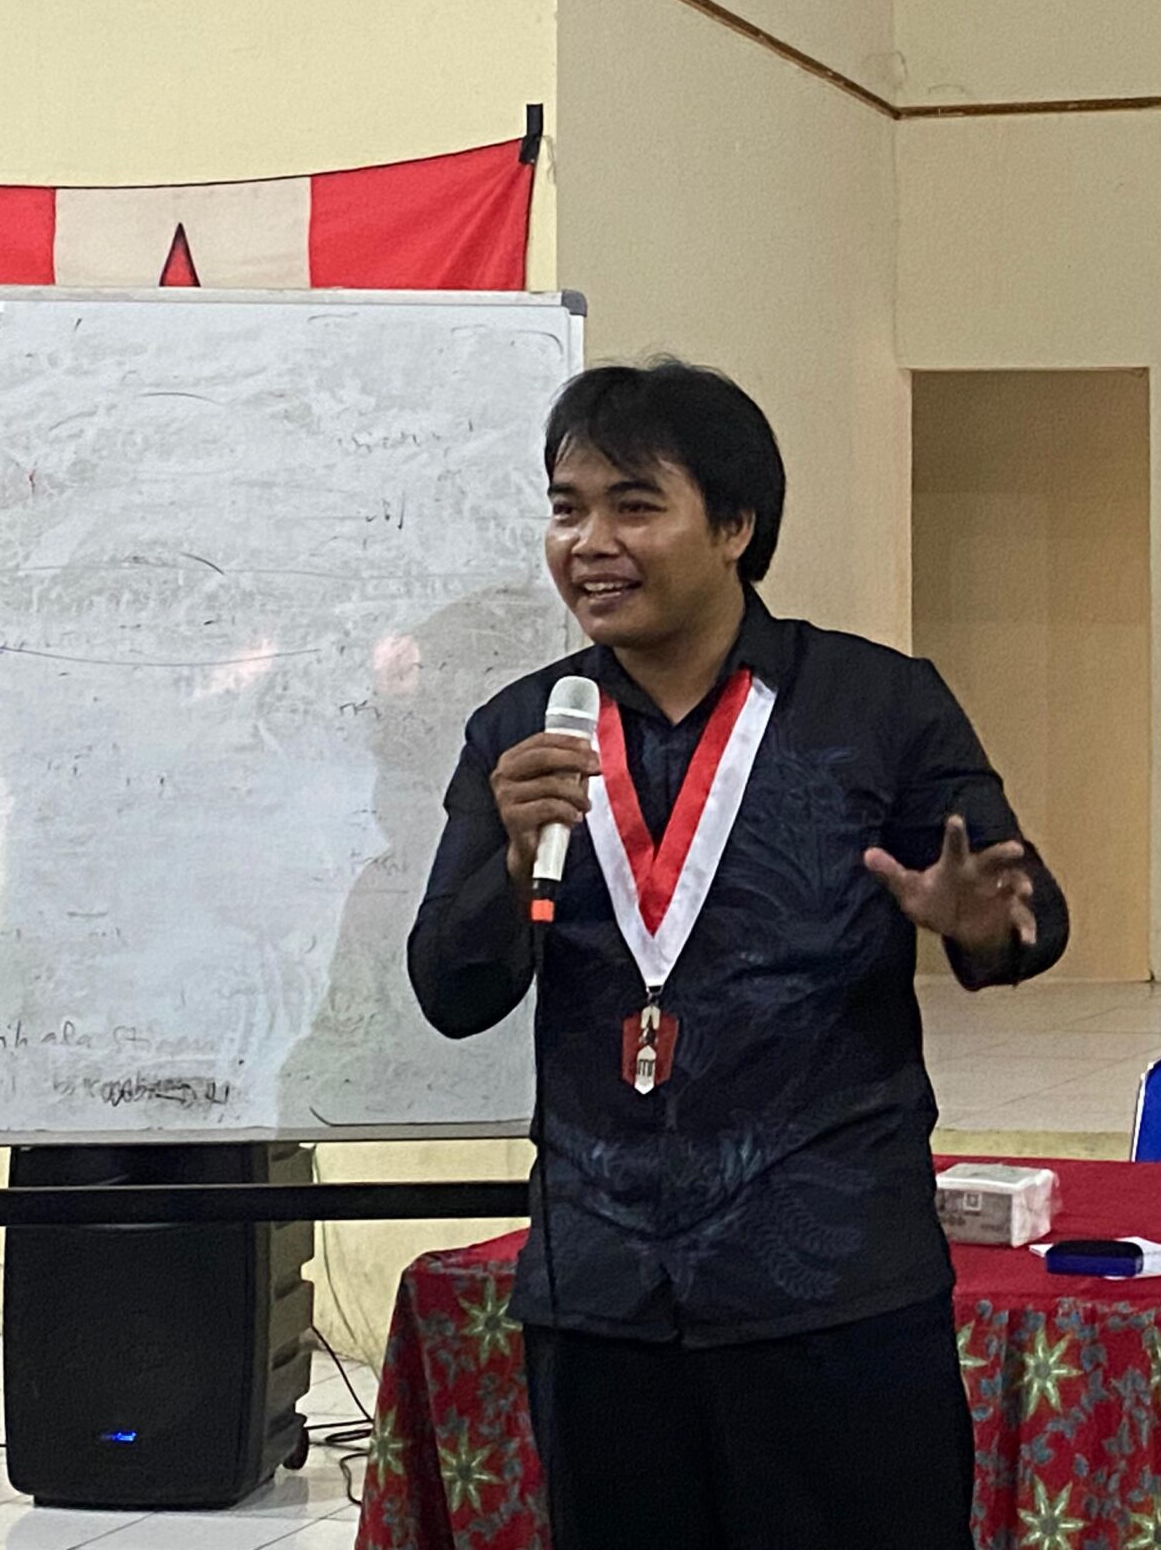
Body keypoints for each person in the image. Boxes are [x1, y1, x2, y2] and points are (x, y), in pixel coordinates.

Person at [407, 359, 1067, 1550]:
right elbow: (450, 990)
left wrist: (976, 923)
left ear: (734, 527)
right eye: (566, 509)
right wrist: (508, 866)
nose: (590, 545)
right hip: (601, 1294)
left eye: (633, 506)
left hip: (832, 1287)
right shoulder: (523, 730)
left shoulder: (875, 706)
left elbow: (1029, 913)